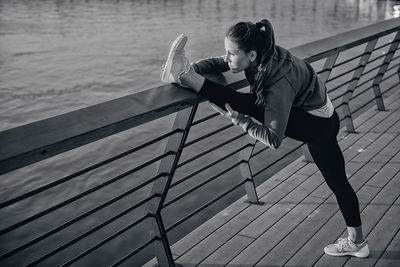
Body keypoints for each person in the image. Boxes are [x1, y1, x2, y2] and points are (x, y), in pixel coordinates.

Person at [161, 19, 369, 258]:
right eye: (227, 51)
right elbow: (219, 62)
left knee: (247, 105)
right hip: (320, 117)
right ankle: (358, 242)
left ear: (251, 55)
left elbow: (273, 139)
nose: (227, 59)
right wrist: (195, 68)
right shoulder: (261, 54)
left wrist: (241, 120)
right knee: (339, 184)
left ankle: (184, 75)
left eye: (232, 53)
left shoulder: (277, 80)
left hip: (317, 125)